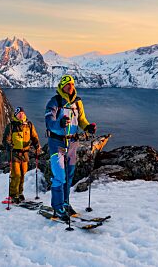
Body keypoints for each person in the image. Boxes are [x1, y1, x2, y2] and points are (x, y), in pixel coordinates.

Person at [45, 74, 97, 220]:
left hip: (73, 143)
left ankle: (66, 203)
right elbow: (49, 122)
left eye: (72, 84)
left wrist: (88, 127)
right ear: (62, 86)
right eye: (68, 84)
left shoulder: (77, 102)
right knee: (60, 177)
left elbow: (81, 119)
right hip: (58, 143)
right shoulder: (54, 102)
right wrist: (59, 124)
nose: (71, 87)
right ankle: (58, 207)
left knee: (69, 176)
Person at [3, 106, 41, 204]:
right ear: (15, 115)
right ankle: (13, 195)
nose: (21, 115)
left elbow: (34, 136)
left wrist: (36, 144)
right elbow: (5, 140)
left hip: (25, 153)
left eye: (22, 113)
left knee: (23, 174)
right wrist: (8, 145)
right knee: (16, 174)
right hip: (14, 153)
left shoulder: (29, 125)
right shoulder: (11, 126)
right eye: (19, 113)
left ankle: (20, 193)